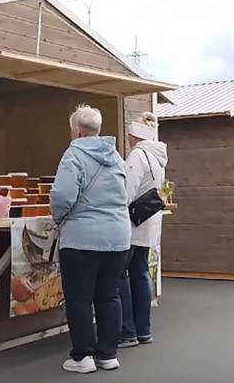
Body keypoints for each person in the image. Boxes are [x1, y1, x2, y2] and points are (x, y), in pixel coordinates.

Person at [50, 104, 131, 374]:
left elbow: (62, 196)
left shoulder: (74, 153)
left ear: (76, 130)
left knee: (79, 299)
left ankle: (82, 356)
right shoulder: (116, 156)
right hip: (118, 237)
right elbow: (126, 194)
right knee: (109, 296)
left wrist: (59, 216)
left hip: (81, 238)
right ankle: (107, 354)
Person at [118, 113, 168, 349]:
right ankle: (143, 329)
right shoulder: (158, 157)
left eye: (129, 134)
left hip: (131, 224)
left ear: (135, 136)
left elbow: (126, 192)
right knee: (140, 274)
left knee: (119, 276)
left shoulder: (138, 155)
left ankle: (127, 330)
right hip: (149, 223)